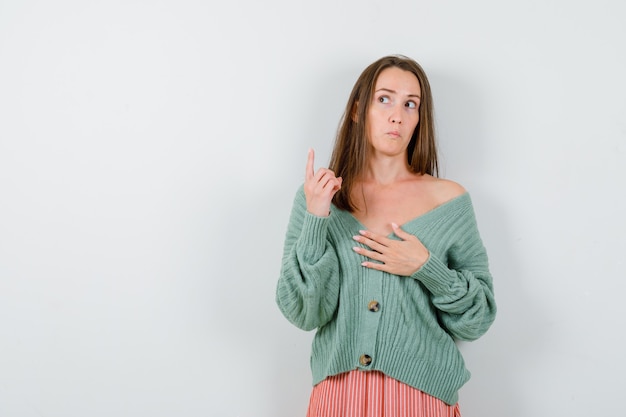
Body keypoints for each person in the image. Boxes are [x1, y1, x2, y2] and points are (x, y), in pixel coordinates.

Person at [275, 55, 496, 417]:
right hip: (339, 398)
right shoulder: (319, 196)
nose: (398, 115)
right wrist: (317, 219)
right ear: (359, 111)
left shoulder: (450, 200)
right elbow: (303, 311)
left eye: (411, 104)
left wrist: (426, 267)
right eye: (385, 99)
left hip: (422, 397)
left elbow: (478, 318)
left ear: (418, 119)